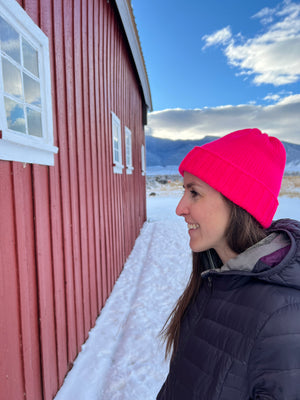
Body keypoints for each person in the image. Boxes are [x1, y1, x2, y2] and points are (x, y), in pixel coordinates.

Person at [157, 128, 300, 400]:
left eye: (194, 193)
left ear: (237, 202)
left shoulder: (283, 319)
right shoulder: (215, 279)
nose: (180, 208)